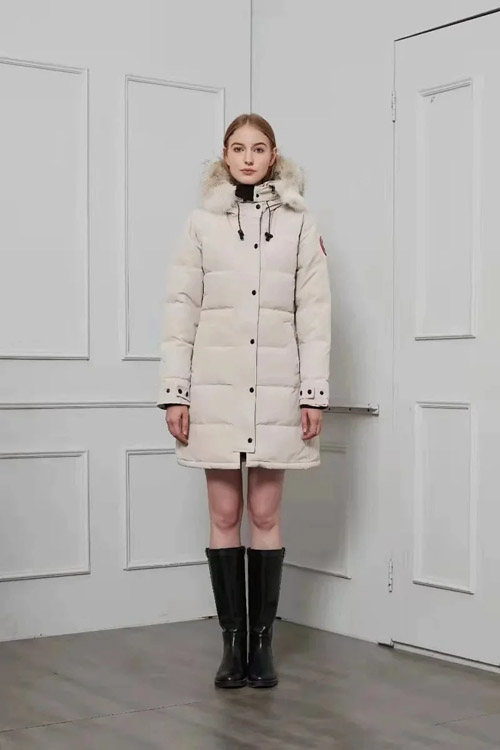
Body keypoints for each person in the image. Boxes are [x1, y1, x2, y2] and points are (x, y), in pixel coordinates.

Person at [156, 113, 331, 689]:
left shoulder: (300, 225)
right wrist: (175, 393)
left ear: (273, 155)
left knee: (265, 515)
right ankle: (232, 646)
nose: (249, 158)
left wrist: (313, 393)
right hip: (215, 391)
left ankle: (262, 646)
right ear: (225, 155)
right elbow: (181, 311)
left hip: (278, 391)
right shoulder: (201, 223)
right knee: (225, 515)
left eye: (259, 148)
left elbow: (315, 314)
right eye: (238, 148)